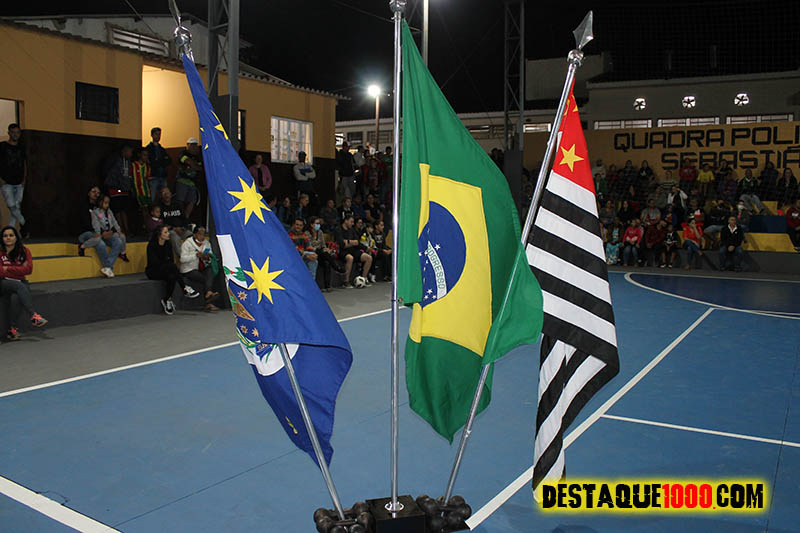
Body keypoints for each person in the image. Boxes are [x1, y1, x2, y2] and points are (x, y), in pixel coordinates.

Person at [0, 225, 47, 340]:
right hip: (3, 283)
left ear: (16, 237)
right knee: (19, 286)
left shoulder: (24, 251)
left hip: (20, 282)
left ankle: (12, 330)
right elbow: (1, 272)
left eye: (11, 235)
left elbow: (28, 270)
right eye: (5, 236)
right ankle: (33, 315)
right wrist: (18, 269)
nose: (8, 238)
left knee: (16, 298)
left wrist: (8, 268)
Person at [146, 225, 199, 315]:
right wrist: (166, 263)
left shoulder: (168, 244)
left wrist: (167, 263)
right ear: (159, 234)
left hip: (166, 269)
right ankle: (184, 288)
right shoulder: (151, 246)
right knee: (172, 267)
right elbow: (154, 262)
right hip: (153, 271)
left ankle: (167, 299)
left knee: (172, 276)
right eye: (165, 232)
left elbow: (170, 259)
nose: (168, 234)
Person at [179, 226, 219, 311]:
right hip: (189, 269)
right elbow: (182, 259)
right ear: (194, 234)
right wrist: (195, 256)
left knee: (210, 271)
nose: (202, 236)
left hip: (202, 267)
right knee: (205, 279)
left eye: (204, 234)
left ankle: (208, 294)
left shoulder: (207, 243)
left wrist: (207, 258)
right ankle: (208, 300)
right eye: (200, 234)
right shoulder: (187, 243)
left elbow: (210, 255)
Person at [0, 124, 27, 236]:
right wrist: (0, 179)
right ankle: (25, 224)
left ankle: (12, 232)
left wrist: (24, 179)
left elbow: (24, 163)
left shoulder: (21, 147)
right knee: (11, 205)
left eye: (17, 132)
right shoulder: (2, 146)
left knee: (16, 208)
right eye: (13, 132)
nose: (15, 135)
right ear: (9, 133)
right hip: (6, 182)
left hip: (19, 182)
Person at [91, 195, 127, 278]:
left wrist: (118, 231)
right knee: (102, 244)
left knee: (119, 240)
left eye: (108, 203)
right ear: (100, 202)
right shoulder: (95, 212)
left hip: (110, 233)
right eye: (105, 203)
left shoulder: (109, 211)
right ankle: (109, 267)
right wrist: (101, 233)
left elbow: (114, 221)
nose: (107, 205)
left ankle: (108, 267)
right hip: (101, 234)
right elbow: (95, 224)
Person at [103, 144, 133, 235]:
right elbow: (112, 174)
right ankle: (120, 230)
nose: (131, 154)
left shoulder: (129, 162)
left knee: (124, 209)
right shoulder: (115, 160)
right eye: (129, 152)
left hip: (125, 189)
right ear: (124, 151)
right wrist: (116, 185)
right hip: (115, 188)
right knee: (117, 210)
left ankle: (126, 230)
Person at [334, 215, 372, 288]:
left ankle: (363, 279)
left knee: (368, 258)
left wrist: (365, 248)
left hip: (353, 250)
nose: (352, 224)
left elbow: (357, 242)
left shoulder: (352, 230)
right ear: (346, 221)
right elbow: (342, 244)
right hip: (342, 251)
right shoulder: (338, 229)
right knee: (350, 258)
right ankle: (346, 281)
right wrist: (351, 242)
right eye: (351, 222)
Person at [308, 217, 342, 291]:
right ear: (311, 224)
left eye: (319, 223)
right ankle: (336, 267)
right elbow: (309, 245)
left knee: (327, 262)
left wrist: (325, 249)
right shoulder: (307, 233)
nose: (318, 225)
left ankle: (327, 286)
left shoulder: (320, 232)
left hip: (321, 253)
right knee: (324, 254)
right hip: (312, 252)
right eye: (317, 223)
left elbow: (323, 244)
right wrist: (318, 248)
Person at [175, 138, 203, 220]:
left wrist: (193, 165)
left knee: (192, 200)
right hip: (182, 180)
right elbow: (188, 162)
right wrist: (193, 165)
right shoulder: (182, 154)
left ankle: (186, 218)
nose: (194, 147)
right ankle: (180, 218)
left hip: (192, 182)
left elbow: (199, 168)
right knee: (180, 200)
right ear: (187, 145)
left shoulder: (197, 157)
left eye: (195, 145)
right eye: (192, 145)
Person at [159, 187, 191, 256]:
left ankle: (195, 256)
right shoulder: (160, 207)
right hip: (170, 231)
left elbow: (184, 218)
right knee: (175, 237)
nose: (166, 195)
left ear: (171, 194)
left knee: (191, 236)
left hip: (181, 229)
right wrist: (173, 228)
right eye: (163, 193)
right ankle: (182, 257)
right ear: (161, 196)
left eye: (167, 193)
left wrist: (183, 227)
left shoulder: (177, 204)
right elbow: (160, 223)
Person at [146, 127, 171, 203]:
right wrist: (161, 161)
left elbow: (169, 160)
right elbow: (151, 162)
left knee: (165, 197)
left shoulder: (162, 149)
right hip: (153, 176)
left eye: (159, 134)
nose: (158, 136)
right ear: (152, 135)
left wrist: (158, 161)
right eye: (156, 134)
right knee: (152, 197)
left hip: (162, 176)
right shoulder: (148, 149)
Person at [78, 186, 103, 256]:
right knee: (100, 242)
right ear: (88, 193)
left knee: (117, 238)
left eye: (98, 193)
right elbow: (85, 223)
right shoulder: (84, 206)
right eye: (94, 192)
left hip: (99, 232)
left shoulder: (100, 207)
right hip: (86, 232)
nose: (96, 194)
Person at [130, 147, 152, 224]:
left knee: (149, 209)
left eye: (147, 155)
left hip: (147, 192)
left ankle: (148, 225)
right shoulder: (133, 165)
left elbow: (148, 180)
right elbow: (130, 178)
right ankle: (145, 225)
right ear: (139, 155)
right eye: (144, 155)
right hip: (138, 191)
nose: (146, 157)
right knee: (143, 210)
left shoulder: (147, 167)